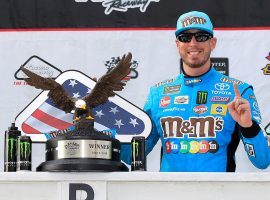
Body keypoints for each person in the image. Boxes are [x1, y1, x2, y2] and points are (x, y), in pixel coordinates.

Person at [121, 11, 270, 172]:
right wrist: (100, 117)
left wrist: (248, 126)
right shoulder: (158, 93)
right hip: (169, 193)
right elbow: (131, 156)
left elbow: (263, 161)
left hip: (219, 193)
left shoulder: (239, 92)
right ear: (177, 44)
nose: (193, 43)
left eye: (201, 36)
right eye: (185, 37)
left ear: (213, 43)